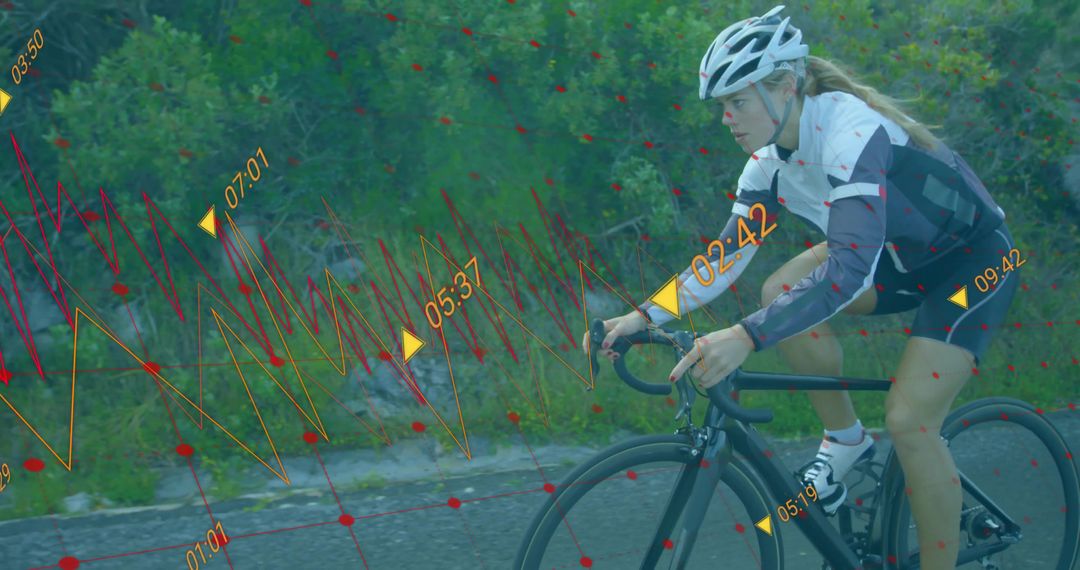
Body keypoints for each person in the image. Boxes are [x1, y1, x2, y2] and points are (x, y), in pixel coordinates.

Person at [582, 5, 1020, 569]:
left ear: (784, 87)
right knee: (778, 289)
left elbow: (847, 273)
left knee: (910, 420)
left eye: (737, 101)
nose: (727, 118)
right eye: (722, 105)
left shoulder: (849, 133)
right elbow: (722, 261)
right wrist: (641, 318)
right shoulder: (766, 167)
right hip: (892, 254)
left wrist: (745, 337)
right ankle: (844, 443)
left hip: (969, 265)